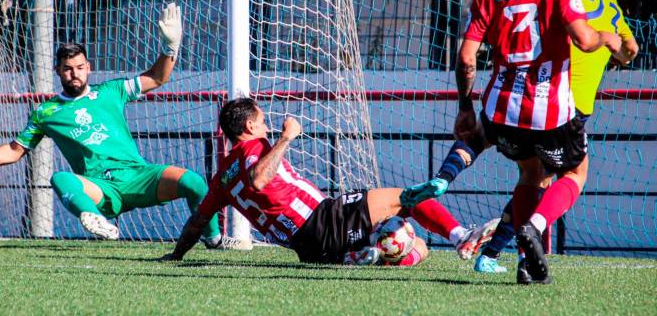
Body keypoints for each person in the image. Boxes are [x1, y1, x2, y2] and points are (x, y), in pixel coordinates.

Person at [402, 0, 622, 284]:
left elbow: (467, 58)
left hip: (502, 107)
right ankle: (534, 227)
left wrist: (464, 107)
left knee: (527, 172)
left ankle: (519, 255)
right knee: (574, 170)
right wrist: (607, 36)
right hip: (549, 110)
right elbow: (586, 42)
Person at [0, 3, 245, 250]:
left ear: (88, 68)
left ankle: (214, 240)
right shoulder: (46, 111)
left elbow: (158, 77)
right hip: (100, 188)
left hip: (137, 175)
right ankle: (92, 217)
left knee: (193, 181)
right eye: (67, 69)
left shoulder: (111, 91)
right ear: (58, 71)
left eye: (80, 67)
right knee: (60, 177)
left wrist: (170, 46)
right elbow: (15, 151)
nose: (75, 73)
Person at [161, 97, 500, 266]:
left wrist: (176, 256)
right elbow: (260, 179)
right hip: (322, 219)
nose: (267, 125)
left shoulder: (222, 176)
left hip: (307, 250)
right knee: (409, 196)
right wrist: (286, 138)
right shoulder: (256, 148)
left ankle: (368, 254)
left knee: (417, 247)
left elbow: (197, 221)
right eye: (262, 121)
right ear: (248, 127)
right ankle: (461, 237)